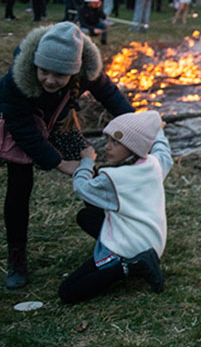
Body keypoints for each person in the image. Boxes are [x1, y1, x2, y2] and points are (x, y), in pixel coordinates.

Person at [1, 22, 134, 289]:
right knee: (19, 186)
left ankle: (112, 240)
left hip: (61, 122)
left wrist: (135, 124)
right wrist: (59, 163)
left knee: (92, 176)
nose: (50, 80)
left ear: (74, 72)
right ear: (35, 64)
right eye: (44, 71)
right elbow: (23, 130)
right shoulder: (15, 80)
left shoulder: (87, 70)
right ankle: (17, 258)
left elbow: (108, 94)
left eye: (60, 75)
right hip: (25, 127)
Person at [58, 110, 171, 303]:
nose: (107, 147)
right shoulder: (153, 164)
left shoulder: (115, 179)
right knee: (86, 216)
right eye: (107, 140)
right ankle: (139, 257)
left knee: (68, 292)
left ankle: (132, 265)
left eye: (116, 142)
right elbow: (163, 151)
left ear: (134, 147)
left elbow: (82, 188)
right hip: (153, 239)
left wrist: (86, 162)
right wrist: (157, 130)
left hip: (133, 247)